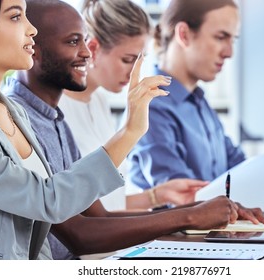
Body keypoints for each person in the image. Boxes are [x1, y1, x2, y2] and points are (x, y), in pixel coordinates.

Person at [3, 0, 264, 260]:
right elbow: (78, 234)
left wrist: (202, 209)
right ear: (31, 47)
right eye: (74, 42)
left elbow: (101, 215)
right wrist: (189, 215)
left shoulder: (57, 117)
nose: (87, 53)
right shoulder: (17, 118)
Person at [0, 0, 164, 260]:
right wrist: (130, 132)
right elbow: (46, 200)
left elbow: (37, 234)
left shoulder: (14, 112)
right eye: (15, 17)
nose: (32, 29)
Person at [128, 0, 264, 198]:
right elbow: (185, 197)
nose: (229, 52)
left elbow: (239, 169)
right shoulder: (152, 105)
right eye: (221, 37)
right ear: (184, 34)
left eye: (232, 40)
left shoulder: (199, 103)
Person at [59, 0, 207, 211]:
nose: (133, 74)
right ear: (93, 48)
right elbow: (77, 214)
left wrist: (157, 196)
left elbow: (108, 206)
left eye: (138, 62)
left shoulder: (99, 100)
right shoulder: (58, 108)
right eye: (128, 60)